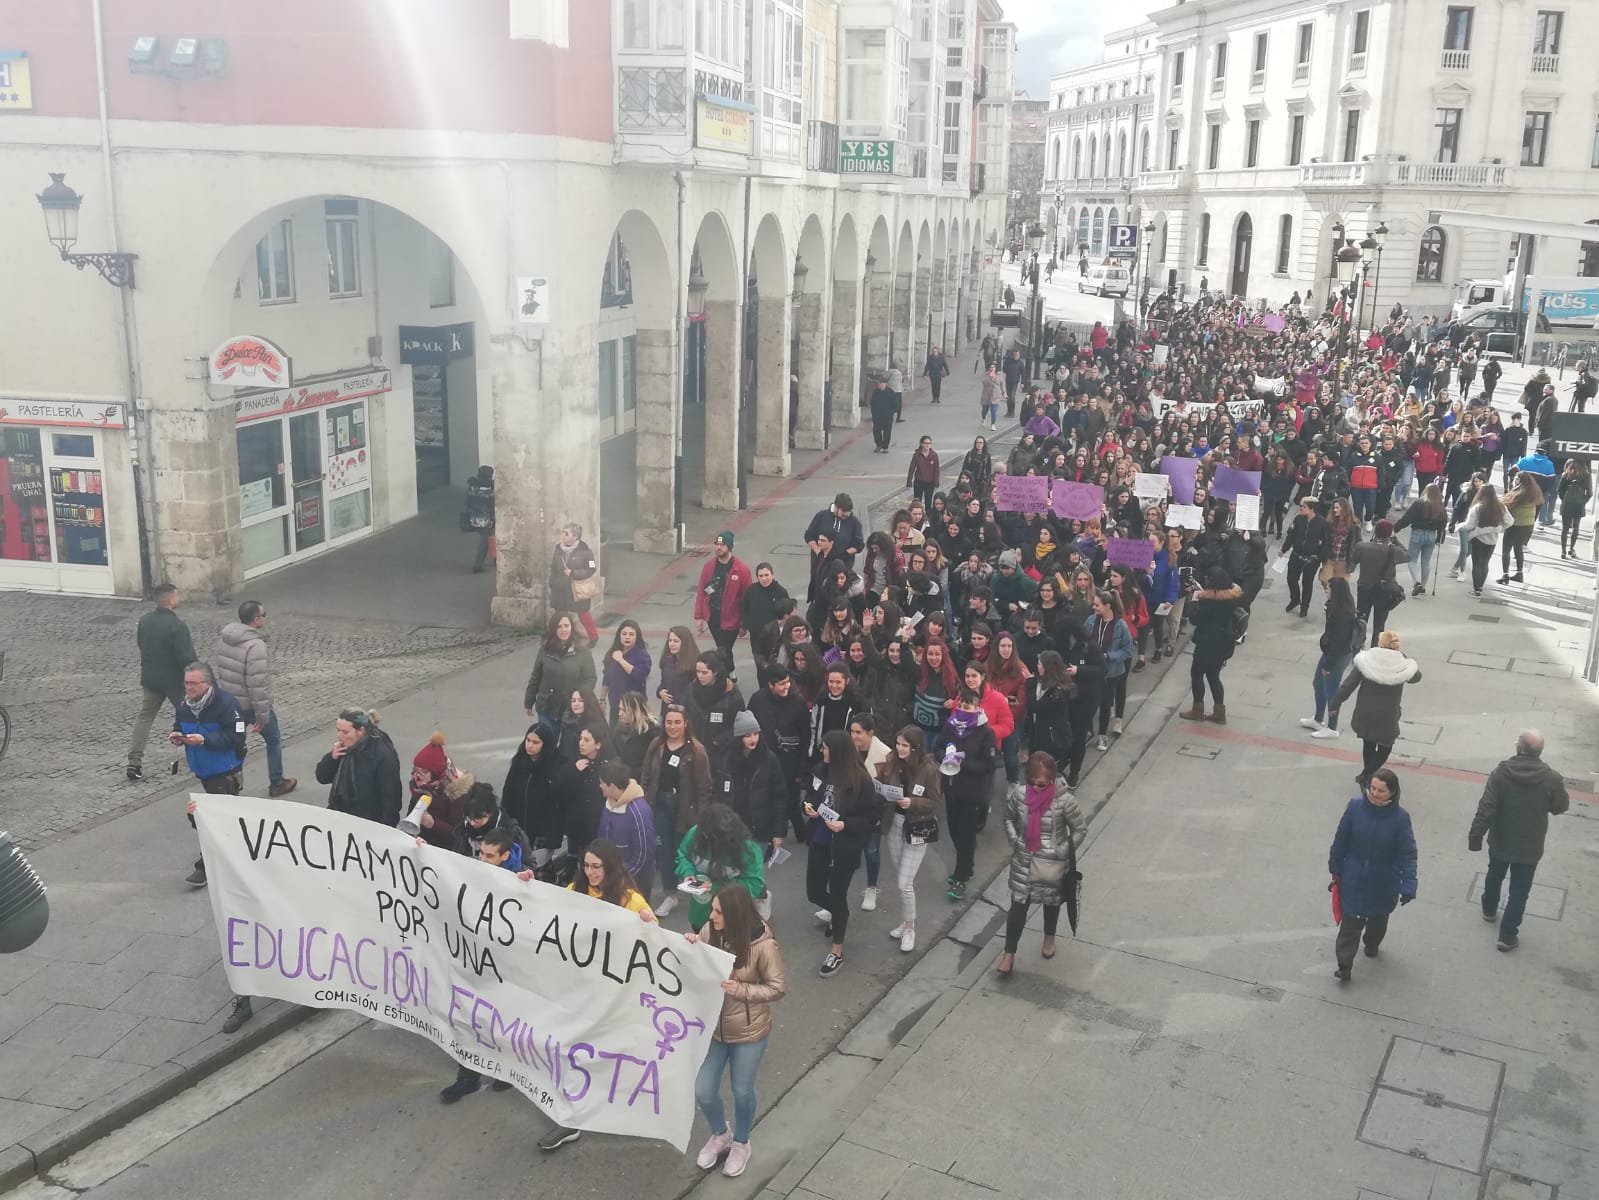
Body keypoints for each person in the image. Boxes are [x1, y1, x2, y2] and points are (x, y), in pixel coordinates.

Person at [535, 839, 657, 1150]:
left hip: (613, 994)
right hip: (579, 990)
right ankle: (570, 1119)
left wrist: (648, 923)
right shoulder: (577, 888)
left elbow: (654, 936)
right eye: (586, 866)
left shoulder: (629, 898)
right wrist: (528, 885)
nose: (590, 872)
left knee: (609, 1052)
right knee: (571, 1049)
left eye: (596, 867)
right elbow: (549, 905)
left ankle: (624, 1104)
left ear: (610, 867)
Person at [688, 883, 786, 1179]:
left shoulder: (764, 945)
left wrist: (741, 989)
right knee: (703, 1090)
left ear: (734, 914)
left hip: (748, 1032)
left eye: (718, 911)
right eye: (712, 909)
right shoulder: (711, 930)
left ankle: (741, 1142)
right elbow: (699, 960)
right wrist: (691, 945)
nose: (711, 915)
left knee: (742, 1091)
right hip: (715, 1029)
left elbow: (778, 987)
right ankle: (721, 1134)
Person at [173, 663, 250, 1028]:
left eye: (193, 683)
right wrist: (179, 736)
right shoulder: (185, 706)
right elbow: (179, 725)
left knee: (213, 822)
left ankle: (208, 866)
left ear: (207, 684)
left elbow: (238, 740)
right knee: (204, 819)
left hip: (223, 770)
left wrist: (207, 741)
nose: (187, 688)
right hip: (203, 770)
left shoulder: (228, 706)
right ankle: (214, 860)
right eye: (185, 683)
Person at [1469, 730, 1570, 952]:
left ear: (1518, 747)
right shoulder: (1552, 778)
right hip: (1530, 844)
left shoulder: (1500, 773)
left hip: (1501, 839)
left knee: (1494, 874)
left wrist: (1475, 837)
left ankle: (1488, 908)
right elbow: (1560, 807)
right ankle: (1507, 935)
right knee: (1519, 890)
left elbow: (1487, 808)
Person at [995, 752, 1085, 976]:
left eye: (1042, 784)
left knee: (1051, 902)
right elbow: (1007, 818)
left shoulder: (1064, 800)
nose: (1036, 787)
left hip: (1052, 863)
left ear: (1052, 779)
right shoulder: (1019, 795)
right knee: (1018, 905)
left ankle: (1049, 937)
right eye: (1033, 782)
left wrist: (1062, 850)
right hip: (1024, 859)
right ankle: (1008, 954)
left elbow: (1080, 829)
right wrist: (1016, 841)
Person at [1327, 768, 1417, 982]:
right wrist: (1335, 869)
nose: (1374, 794)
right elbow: (1341, 839)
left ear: (1392, 793)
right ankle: (1344, 964)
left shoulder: (1400, 819)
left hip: (1383, 882)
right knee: (1350, 924)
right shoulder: (1355, 807)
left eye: (1381, 790)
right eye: (1372, 788)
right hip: (1353, 878)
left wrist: (1409, 883)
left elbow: (1408, 853)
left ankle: (1372, 943)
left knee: (1377, 922)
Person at [804, 729, 879, 976]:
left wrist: (846, 825)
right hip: (820, 839)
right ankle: (839, 914)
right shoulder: (820, 770)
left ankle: (837, 950)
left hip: (844, 846)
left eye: (825, 748)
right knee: (814, 891)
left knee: (837, 894)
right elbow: (811, 796)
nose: (822, 751)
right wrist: (809, 808)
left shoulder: (860, 780)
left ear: (837, 752)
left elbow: (871, 817)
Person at [214, 599, 295, 797]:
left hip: (232, 706)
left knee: (236, 742)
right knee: (273, 739)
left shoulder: (225, 638)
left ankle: (231, 784)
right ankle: (277, 783)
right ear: (256, 619)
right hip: (251, 707)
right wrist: (262, 718)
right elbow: (257, 684)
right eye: (263, 615)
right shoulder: (255, 645)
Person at [639, 704, 713, 916]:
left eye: (677, 722)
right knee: (665, 851)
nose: (672, 726)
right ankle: (670, 894)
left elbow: (704, 787)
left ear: (685, 723)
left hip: (685, 808)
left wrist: (699, 815)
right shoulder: (656, 745)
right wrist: (646, 801)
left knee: (687, 851)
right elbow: (646, 775)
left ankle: (698, 890)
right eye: (669, 722)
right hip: (660, 805)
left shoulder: (696, 751)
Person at [874, 726, 940, 952]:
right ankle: (905, 921)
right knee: (902, 880)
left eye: (904, 745)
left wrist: (913, 803)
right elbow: (882, 783)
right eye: (898, 744)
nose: (899, 748)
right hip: (894, 824)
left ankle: (910, 927)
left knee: (904, 883)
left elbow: (934, 801)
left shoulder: (928, 769)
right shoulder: (892, 760)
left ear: (915, 747)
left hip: (917, 827)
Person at [1328, 630, 1422, 788]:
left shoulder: (1366, 660)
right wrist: (1403, 658)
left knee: (1368, 742)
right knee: (1386, 745)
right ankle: (1368, 774)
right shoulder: (1401, 663)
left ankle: (1368, 774)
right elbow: (1416, 677)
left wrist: (1335, 703)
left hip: (1365, 711)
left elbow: (1349, 684)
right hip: (1388, 715)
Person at [127, 582, 197, 782]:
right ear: (171, 599)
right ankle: (197, 756)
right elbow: (187, 658)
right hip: (174, 682)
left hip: (150, 678)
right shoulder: (177, 626)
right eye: (177, 596)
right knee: (192, 714)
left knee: (145, 718)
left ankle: (134, 761)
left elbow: (142, 645)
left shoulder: (144, 621)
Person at [937, 689, 998, 901]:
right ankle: (967, 866)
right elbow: (937, 747)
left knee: (966, 835)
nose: (963, 710)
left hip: (972, 791)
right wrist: (946, 756)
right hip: (951, 788)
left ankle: (960, 877)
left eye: (968, 706)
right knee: (954, 830)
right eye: (961, 706)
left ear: (978, 708)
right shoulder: (950, 725)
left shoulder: (985, 732)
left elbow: (989, 764)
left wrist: (963, 763)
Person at [676, 802, 766, 932]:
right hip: (699, 917)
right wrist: (687, 871)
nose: (706, 839)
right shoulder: (697, 833)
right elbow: (683, 854)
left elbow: (755, 884)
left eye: (711, 838)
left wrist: (718, 887)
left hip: (731, 919)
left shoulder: (748, 851)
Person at [501, 722, 574, 879]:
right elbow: (508, 793)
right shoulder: (519, 763)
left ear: (545, 744)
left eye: (535, 742)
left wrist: (553, 836)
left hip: (543, 833)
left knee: (540, 869)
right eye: (528, 740)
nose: (530, 746)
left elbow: (559, 804)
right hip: (519, 828)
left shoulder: (556, 767)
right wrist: (507, 820)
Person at [1179, 567, 1243, 724]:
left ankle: (1197, 710)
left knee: (1197, 673)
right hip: (1223, 643)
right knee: (1214, 676)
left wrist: (1195, 600)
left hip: (1207, 642)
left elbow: (1195, 619)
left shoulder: (1207, 600)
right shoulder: (1232, 598)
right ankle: (1219, 712)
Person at [1301, 577, 1360, 740]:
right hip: (1332, 653)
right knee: (1318, 683)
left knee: (1332, 691)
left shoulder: (1342, 613)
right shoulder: (1338, 607)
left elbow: (1339, 641)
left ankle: (1332, 727)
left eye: (1329, 588)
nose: (1326, 590)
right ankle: (1318, 718)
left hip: (1337, 655)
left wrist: (1328, 666)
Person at [595, 760, 656, 896]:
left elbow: (644, 854)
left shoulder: (639, 811)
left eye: (602, 783)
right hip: (611, 875)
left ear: (611, 786)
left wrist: (623, 877)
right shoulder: (609, 803)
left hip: (634, 880)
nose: (600, 786)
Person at [523, 612, 597, 724]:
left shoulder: (583, 651)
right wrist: (529, 701)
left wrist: (580, 696)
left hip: (570, 709)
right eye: (559, 626)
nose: (563, 630)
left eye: (566, 626)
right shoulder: (545, 649)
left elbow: (590, 678)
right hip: (546, 708)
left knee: (567, 740)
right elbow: (536, 676)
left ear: (572, 627)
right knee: (548, 740)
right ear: (553, 629)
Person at [695, 531, 751, 674]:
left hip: (731, 618)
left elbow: (747, 599)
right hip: (713, 616)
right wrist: (699, 617)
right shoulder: (709, 567)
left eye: (722, 544)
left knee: (723, 649)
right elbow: (702, 591)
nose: (718, 547)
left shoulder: (742, 570)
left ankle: (724, 675)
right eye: (717, 544)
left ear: (730, 547)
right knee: (722, 647)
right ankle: (730, 671)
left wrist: (743, 624)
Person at [408, 732, 470, 851]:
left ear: (436, 773)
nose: (418, 775)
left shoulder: (456, 791)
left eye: (424, 771)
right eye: (417, 770)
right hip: (424, 844)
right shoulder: (418, 785)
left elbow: (458, 834)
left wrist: (433, 824)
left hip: (446, 851)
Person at [1350, 519, 1408, 646]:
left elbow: (1353, 560)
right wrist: (1395, 539)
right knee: (1379, 624)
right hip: (1384, 591)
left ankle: (1357, 647)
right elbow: (1408, 555)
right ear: (1389, 534)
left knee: (1361, 620)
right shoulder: (1394, 551)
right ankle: (1375, 648)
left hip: (1365, 588)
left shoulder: (1362, 547)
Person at [548, 523, 600, 642]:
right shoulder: (558, 549)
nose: (563, 535)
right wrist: (552, 581)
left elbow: (591, 569)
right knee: (560, 615)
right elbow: (553, 567)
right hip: (560, 587)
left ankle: (593, 637)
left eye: (566, 533)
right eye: (563, 532)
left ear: (575, 537)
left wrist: (573, 573)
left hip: (577, 588)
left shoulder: (586, 551)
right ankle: (560, 638)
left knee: (583, 613)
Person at [1456, 483, 1509, 597]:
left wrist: (1459, 526)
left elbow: (1469, 525)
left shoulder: (1478, 507)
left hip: (1478, 539)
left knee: (1477, 565)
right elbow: (1510, 521)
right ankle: (1480, 587)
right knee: (1485, 563)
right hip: (1492, 540)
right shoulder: (1501, 506)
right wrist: (1499, 529)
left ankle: (1476, 590)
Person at [1392, 484, 1446, 596]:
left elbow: (1406, 519)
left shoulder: (1419, 503)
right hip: (1431, 535)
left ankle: (1417, 583)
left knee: (1412, 559)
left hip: (1417, 533)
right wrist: (1440, 537)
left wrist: (1395, 529)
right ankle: (1423, 586)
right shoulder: (1440, 506)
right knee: (1426, 562)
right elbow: (1443, 523)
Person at [1280, 497, 1330, 617]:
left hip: (1312, 558)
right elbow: (1291, 536)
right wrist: (1284, 549)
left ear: (1312, 509)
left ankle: (1304, 607)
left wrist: (1321, 557)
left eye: (1304, 507)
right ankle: (1295, 599)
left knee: (1307, 582)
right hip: (1296, 554)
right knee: (1291, 579)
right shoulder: (1298, 519)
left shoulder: (1322, 523)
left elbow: (1327, 541)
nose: (1301, 508)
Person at [601, 619, 652, 722]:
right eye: (624, 634)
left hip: (635, 708)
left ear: (637, 637)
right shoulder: (612, 653)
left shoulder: (642, 655)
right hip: (615, 708)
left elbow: (639, 675)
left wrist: (621, 660)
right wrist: (602, 700)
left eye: (631, 634)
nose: (627, 637)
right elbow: (606, 679)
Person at [1497, 472, 1541, 585]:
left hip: (1515, 525)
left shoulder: (1518, 493)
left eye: (1516, 479)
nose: (1514, 481)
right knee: (1518, 549)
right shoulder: (1533, 492)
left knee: (1506, 550)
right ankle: (1519, 573)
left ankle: (1505, 575)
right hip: (1528, 525)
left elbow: (1506, 503)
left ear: (1519, 481)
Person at [804, 493, 864, 572]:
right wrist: (818, 552)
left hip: (842, 565)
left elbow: (859, 545)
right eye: (843, 511)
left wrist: (844, 554)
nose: (846, 514)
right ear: (836, 507)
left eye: (848, 511)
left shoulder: (854, 522)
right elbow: (809, 536)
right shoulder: (821, 516)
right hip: (820, 563)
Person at [1558, 459, 1593, 559]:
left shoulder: (1566, 474)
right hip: (1579, 505)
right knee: (1576, 527)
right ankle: (1571, 549)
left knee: (1565, 528)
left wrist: (1565, 500)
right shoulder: (1587, 475)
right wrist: (1582, 502)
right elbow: (1590, 493)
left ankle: (1563, 551)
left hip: (1567, 504)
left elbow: (1560, 490)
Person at [465, 465, 495, 573]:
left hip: (474, 516)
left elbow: (468, 502)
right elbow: (492, 505)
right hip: (486, 518)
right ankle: (478, 565)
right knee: (486, 541)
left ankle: (496, 558)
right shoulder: (489, 489)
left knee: (489, 538)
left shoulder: (472, 486)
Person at [906, 436, 941, 507]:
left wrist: (936, 482)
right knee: (917, 501)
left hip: (929, 483)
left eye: (929, 443)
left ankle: (928, 516)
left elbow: (936, 469)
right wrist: (909, 482)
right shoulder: (917, 455)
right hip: (919, 482)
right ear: (922, 444)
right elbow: (912, 469)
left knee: (928, 501)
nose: (928, 445)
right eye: (926, 443)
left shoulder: (934, 455)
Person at [868, 376, 898, 453]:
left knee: (887, 432)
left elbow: (895, 404)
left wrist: (891, 412)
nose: (879, 385)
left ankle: (885, 447)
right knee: (876, 431)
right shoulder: (875, 392)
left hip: (887, 416)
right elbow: (872, 403)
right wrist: (873, 414)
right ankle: (878, 445)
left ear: (885, 384)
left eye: (881, 383)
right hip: (877, 416)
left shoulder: (890, 392)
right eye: (878, 383)